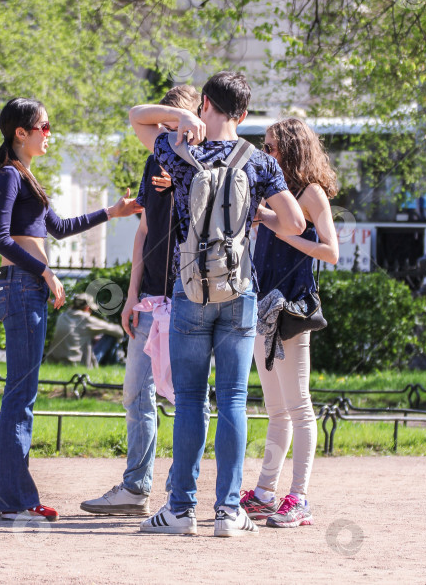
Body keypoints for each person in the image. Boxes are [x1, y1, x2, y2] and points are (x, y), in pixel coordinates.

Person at [129, 71, 306, 537]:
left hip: (189, 290)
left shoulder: (176, 148)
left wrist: (180, 115)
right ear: (244, 114)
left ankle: (180, 510)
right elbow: (295, 223)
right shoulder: (258, 161)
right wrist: (254, 214)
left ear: (205, 102)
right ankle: (229, 512)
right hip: (240, 290)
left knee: (189, 399)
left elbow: (136, 117)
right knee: (232, 399)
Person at [0, 97, 141, 522]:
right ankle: (17, 500)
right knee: (20, 397)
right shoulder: (8, 176)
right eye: (45, 125)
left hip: (26, 289)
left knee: (22, 395)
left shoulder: (26, 176)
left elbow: (57, 228)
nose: (49, 133)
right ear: (22, 132)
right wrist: (45, 272)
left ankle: (14, 498)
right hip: (20, 288)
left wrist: (113, 211)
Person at [81, 85, 207, 517]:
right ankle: (136, 488)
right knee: (136, 393)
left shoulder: (204, 159)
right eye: (163, 120)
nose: (166, 127)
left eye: (176, 118)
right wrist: (132, 293)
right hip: (151, 298)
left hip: (190, 298)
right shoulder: (155, 157)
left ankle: (179, 493)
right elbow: (144, 229)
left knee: (187, 398)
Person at [240, 117, 338, 528]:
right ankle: (264, 492)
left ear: (294, 150)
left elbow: (330, 251)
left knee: (299, 406)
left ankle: (298, 498)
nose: (268, 154)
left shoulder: (311, 193)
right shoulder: (274, 192)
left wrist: (286, 234)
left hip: (292, 307)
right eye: (265, 147)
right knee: (276, 408)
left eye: (273, 147)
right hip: (264, 306)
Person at [47, 292, 124, 367]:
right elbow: (119, 331)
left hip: (56, 361)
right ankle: (112, 366)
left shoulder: (62, 316)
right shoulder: (86, 319)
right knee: (111, 337)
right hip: (77, 363)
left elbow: (76, 334)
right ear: (87, 308)